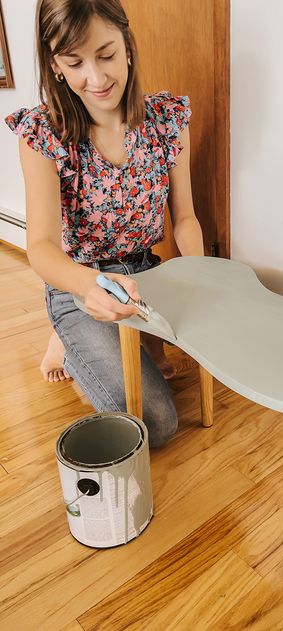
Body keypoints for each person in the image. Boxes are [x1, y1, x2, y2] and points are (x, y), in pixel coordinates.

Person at [5, 0, 204, 448]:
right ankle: (67, 337)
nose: (96, 78)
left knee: (212, 341)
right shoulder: (43, 134)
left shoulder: (168, 120)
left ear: (128, 46)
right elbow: (40, 246)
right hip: (80, 281)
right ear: (55, 64)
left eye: (107, 54)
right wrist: (88, 286)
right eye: (74, 62)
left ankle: (128, 342)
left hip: (149, 275)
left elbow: (186, 218)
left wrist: (203, 280)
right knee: (156, 424)